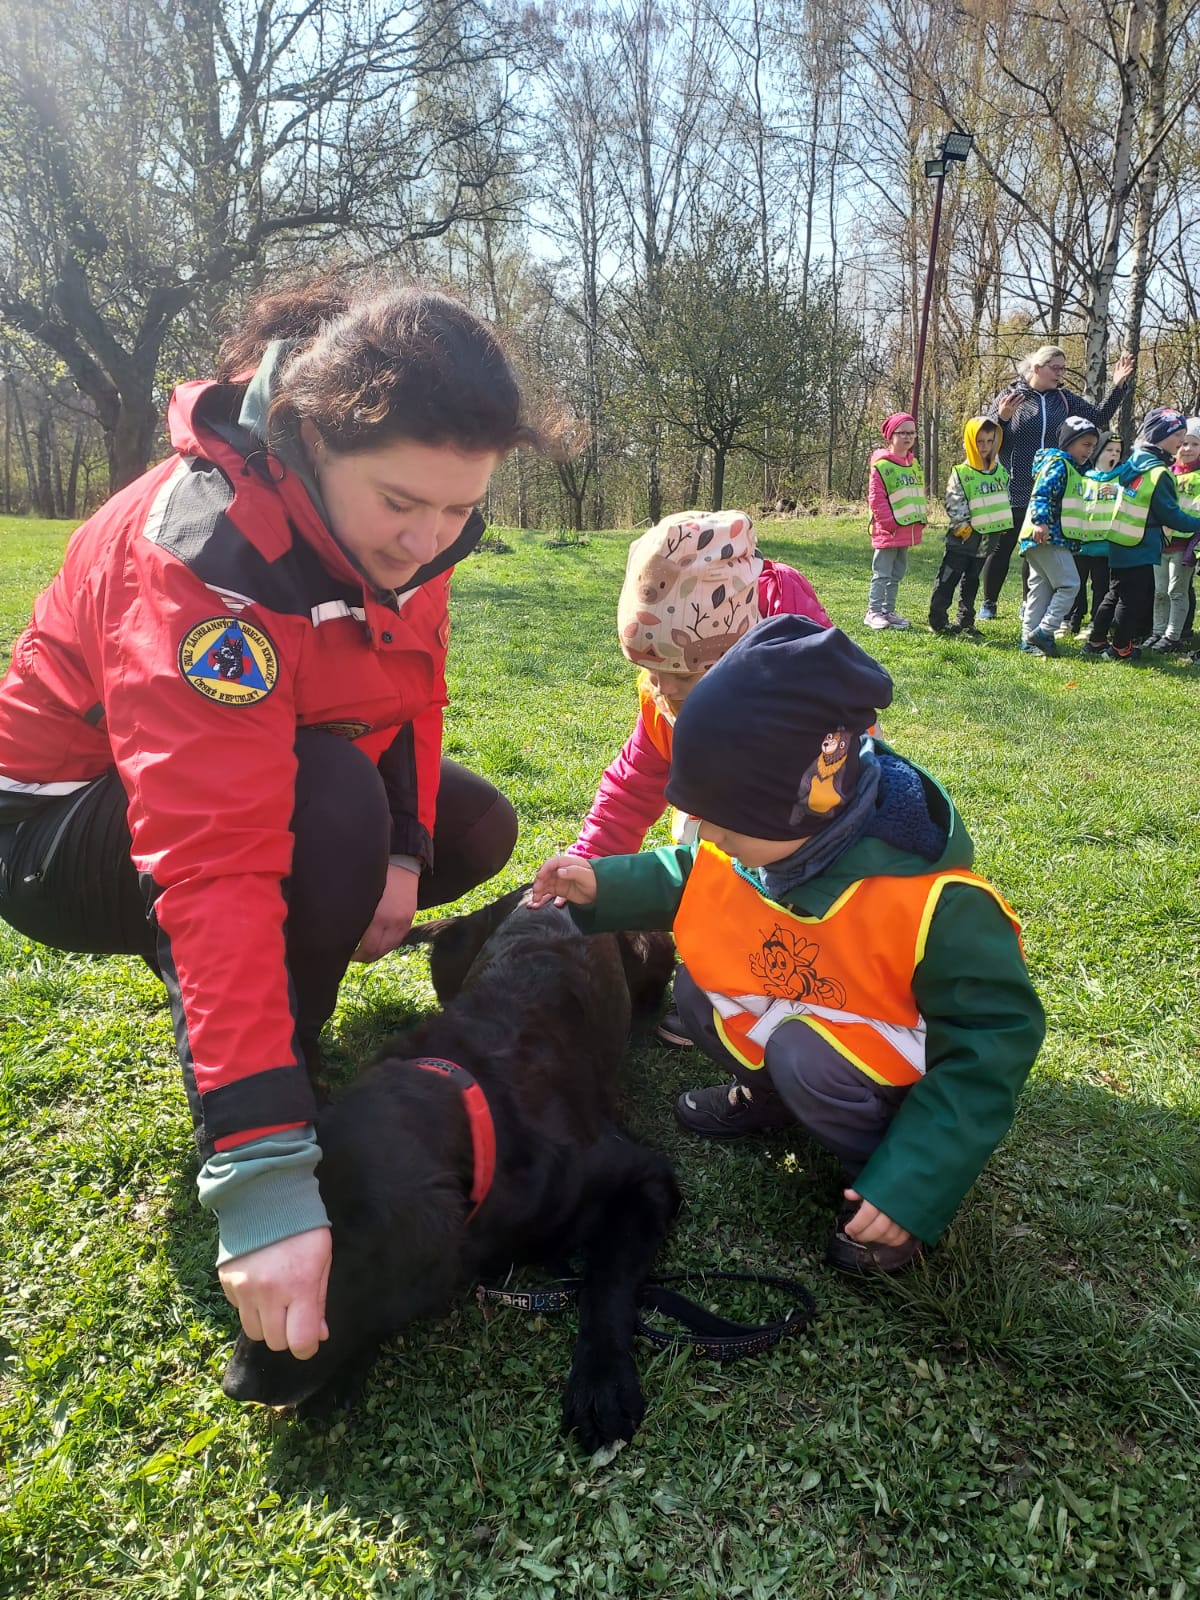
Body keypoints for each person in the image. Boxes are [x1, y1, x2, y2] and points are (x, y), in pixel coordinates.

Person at [0, 274, 555, 1365]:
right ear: (310, 435)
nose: (429, 539)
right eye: (402, 503)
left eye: (459, 510)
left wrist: (407, 854)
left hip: (259, 775)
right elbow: (215, 865)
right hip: (50, 826)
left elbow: (413, 690)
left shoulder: (419, 537)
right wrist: (264, 1176)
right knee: (324, 811)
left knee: (467, 825)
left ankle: (293, 973)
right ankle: (267, 1076)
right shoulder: (205, 551)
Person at [529, 617, 1045, 1276]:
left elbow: (994, 1036)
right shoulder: (772, 840)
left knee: (804, 1054)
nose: (703, 829)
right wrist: (601, 882)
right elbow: (693, 876)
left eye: (723, 817)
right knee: (697, 992)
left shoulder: (939, 902)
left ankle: (886, 1184)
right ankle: (772, 1100)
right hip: (812, 1003)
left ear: (807, 799)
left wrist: (916, 1181)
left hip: (888, 1062)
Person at [571, 508, 831, 1047]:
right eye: (654, 671)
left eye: (686, 672)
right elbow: (631, 788)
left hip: (812, 841)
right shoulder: (665, 708)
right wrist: (587, 864)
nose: (669, 689)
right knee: (702, 851)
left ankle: (785, 988)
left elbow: (843, 787)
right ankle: (725, 969)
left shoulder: (799, 696)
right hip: (724, 827)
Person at [980, 346, 1136, 620]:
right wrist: (1002, 418)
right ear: (1037, 367)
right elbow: (988, 438)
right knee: (1001, 547)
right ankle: (989, 603)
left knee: (1036, 547)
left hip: (1050, 486)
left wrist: (1117, 386)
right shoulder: (1010, 395)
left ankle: (1029, 604)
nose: (1061, 374)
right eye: (1056, 368)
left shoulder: (1063, 399)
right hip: (1015, 485)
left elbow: (1098, 418)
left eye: (1063, 368)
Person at [1082, 407, 1200, 662]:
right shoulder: (1159, 473)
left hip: (1119, 538)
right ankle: (1120, 648)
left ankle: (1096, 640)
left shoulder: (1134, 462)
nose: (1181, 440)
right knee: (1132, 599)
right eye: (1178, 434)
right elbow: (1172, 517)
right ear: (1161, 435)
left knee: (1114, 593)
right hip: (1141, 543)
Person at [1016, 416, 1094, 657]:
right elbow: (1042, 495)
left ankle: (1028, 640)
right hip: (1047, 536)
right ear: (1069, 442)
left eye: (1092, 445)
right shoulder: (1059, 464)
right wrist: (1041, 522)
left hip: (1039, 538)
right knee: (1070, 584)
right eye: (1085, 445)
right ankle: (1044, 631)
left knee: (1040, 587)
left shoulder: (1069, 467)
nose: (1089, 450)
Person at [930, 416, 1010, 637]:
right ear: (969, 442)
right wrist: (963, 528)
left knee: (972, 580)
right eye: (980, 441)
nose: (984, 446)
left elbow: (1003, 498)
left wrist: (1001, 522)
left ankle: (966, 620)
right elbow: (954, 503)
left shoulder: (1000, 472)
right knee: (948, 579)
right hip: (962, 540)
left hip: (987, 540)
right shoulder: (961, 473)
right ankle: (938, 619)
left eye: (989, 441)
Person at [864, 414, 924, 630]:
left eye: (912, 432)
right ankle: (874, 611)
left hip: (906, 530)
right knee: (882, 572)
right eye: (903, 432)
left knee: (897, 573)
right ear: (891, 436)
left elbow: (916, 493)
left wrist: (919, 520)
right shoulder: (882, 465)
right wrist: (889, 524)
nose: (908, 437)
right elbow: (876, 499)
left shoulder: (912, 463)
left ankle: (888, 610)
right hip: (888, 530)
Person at [1148, 418, 1200, 653]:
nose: (1187, 449)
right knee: (1160, 591)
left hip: (1185, 544)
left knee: (1176, 591)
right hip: (1162, 543)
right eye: (1183, 444)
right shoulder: (1165, 473)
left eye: (1194, 444)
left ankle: (1173, 636)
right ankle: (1158, 632)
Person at [1065, 435, 1121, 639]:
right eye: (1109, 449)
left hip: (1105, 545)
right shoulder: (1085, 477)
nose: (1113, 454)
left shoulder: (1120, 479)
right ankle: (1072, 620)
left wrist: (1119, 491)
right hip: (1081, 543)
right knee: (1077, 583)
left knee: (1101, 587)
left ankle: (1096, 624)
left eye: (1117, 451)